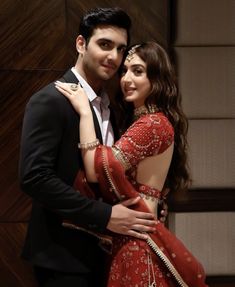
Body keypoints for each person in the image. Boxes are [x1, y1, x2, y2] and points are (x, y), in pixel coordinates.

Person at [19, 8, 159, 287]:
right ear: (81, 44)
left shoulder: (114, 106)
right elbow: (35, 178)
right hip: (63, 257)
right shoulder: (49, 100)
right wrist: (106, 216)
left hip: (105, 253)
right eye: (105, 45)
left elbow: (107, 174)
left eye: (120, 49)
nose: (114, 57)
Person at [55, 41, 208, 287]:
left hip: (138, 243)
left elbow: (97, 170)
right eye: (124, 71)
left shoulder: (153, 125)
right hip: (130, 237)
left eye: (137, 71)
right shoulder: (144, 121)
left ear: (157, 78)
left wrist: (85, 112)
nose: (126, 79)